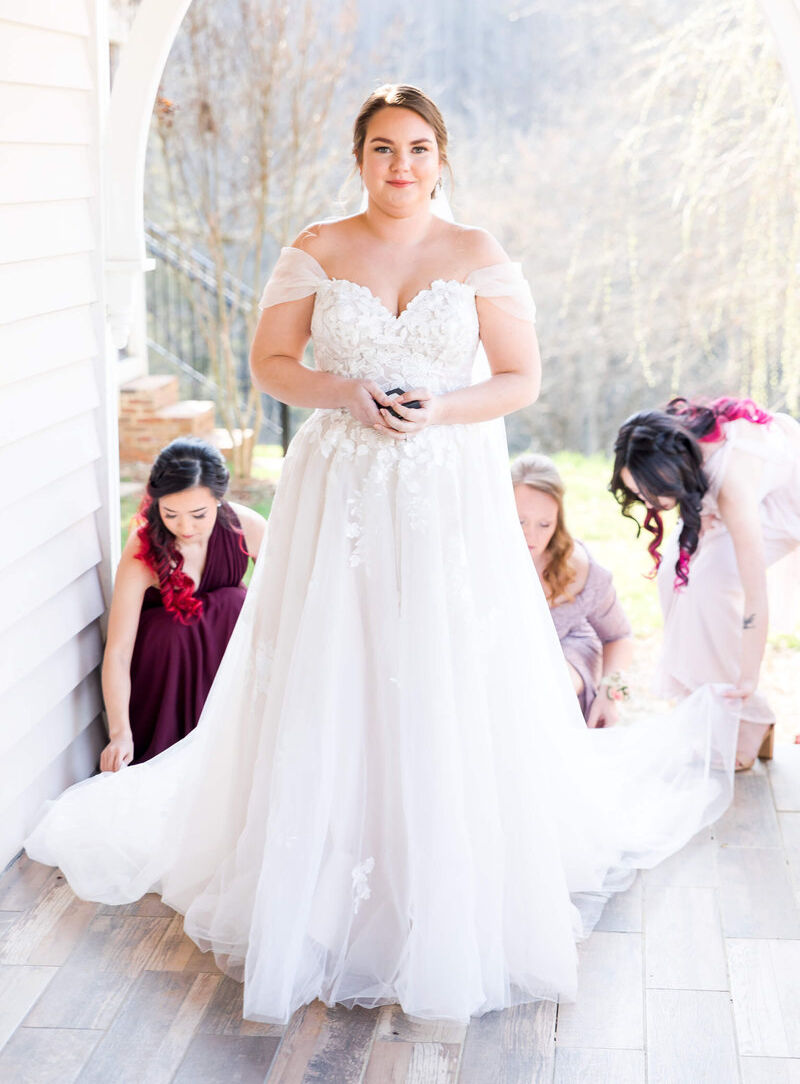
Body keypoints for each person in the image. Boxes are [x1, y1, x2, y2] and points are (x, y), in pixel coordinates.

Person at [25, 86, 740, 1026]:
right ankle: (316, 877)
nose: (400, 167)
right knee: (338, 658)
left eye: (417, 149)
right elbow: (270, 366)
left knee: (440, 664)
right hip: (341, 486)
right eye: (380, 150)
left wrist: (441, 407)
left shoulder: (479, 256)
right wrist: (342, 390)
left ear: (441, 157)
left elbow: (523, 377)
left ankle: (440, 876)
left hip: (444, 487)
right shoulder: (316, 249)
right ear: (358, 158)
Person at [611, 396, 800, 769]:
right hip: (754, 485)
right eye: (637, 494)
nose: (646, 505)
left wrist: (749, 677)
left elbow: (754, 594)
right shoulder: (677, 440)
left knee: (711, 583)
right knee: (673, 573)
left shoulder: (731, 489)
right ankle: (709, 699)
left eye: (649, 493)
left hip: (786, 500)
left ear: (671, 474)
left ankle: (749, 716)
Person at [101, 437, 266, 770]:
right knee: (170, 628)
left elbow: (283, 603)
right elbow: (118, 652)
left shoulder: (247, 527)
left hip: (224, 656)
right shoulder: (143, 545)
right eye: (171, 514)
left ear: (220, 499)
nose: (185, 527)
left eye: (198, 514)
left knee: (236, 602)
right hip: (167, 668)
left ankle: (236, 729)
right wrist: (120, 734)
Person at [512, 453, 633, 727]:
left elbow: (620, 635)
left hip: (567, 651)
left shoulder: (578, 566)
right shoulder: (475, 560)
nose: (532, 534)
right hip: (506, 658)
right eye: (520, 521)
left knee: (547, 687)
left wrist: (609, 692)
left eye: (545, 524)